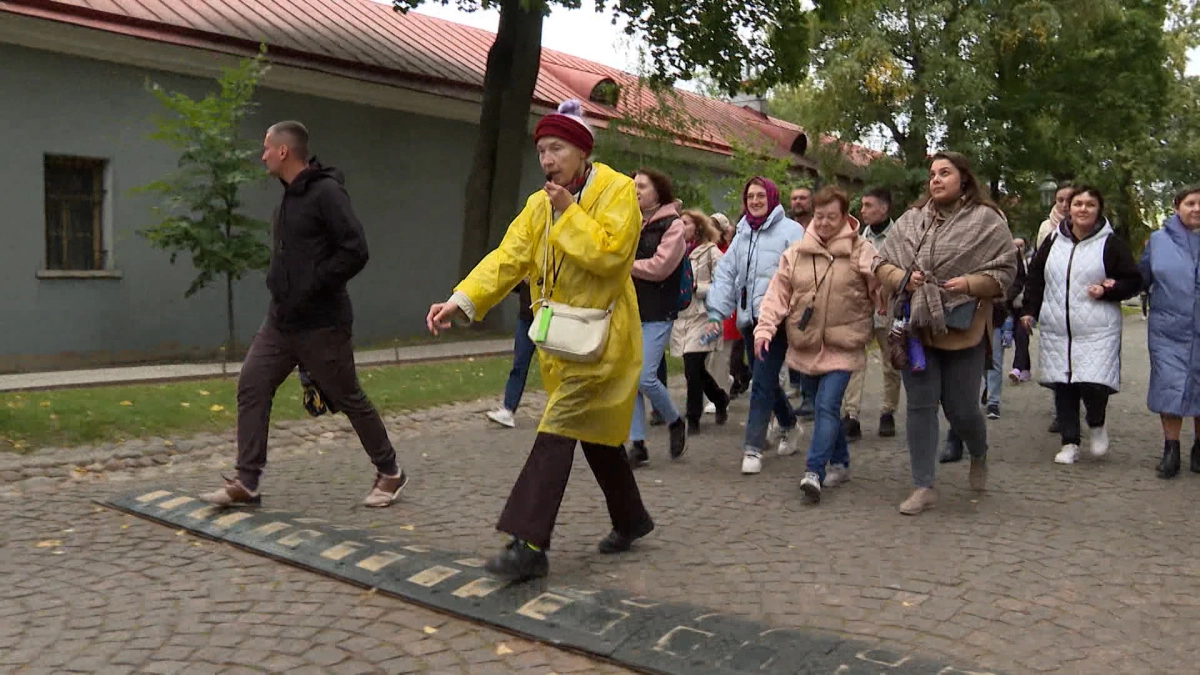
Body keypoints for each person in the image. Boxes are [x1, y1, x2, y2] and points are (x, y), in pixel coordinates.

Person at [425, 100, 653, 581]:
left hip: (604, 340)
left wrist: (570, 212)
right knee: (594, 436)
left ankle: (527, 544)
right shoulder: (537, 205)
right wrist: (461, 300)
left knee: (558, 425)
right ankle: (631, 519)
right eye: (542, 151)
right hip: (560, 338)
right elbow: (508, 258)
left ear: (581, 150)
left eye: (557, 148)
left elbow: (611, 256)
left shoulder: (617, 192)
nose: (547, 160)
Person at [200, 121, 408, 508]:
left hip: (322, 323)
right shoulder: (288, 198)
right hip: (280, 322)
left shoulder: (326, 193)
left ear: (283, 152)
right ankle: (247, 482)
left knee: (348, 396)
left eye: (266, 148)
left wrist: (314, 284)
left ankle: (391, 472)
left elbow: (355, 250)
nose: (262, 155)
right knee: (251, 384)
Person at [873, 151, 1018, 515]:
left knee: (961, 408)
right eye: (932, 174)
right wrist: (902, 280)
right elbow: (881, 262)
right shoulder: (910, 221)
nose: (935, 179)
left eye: (945, 173)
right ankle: (923, 486)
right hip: (915, 327)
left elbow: (1006, 271)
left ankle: (979, 453)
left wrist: (970, 283)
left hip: (962, 327)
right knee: (920, 405)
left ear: (964, 179)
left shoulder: (988, 221)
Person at [754, 187, 880, 503]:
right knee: (825, 408)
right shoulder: (795, 253)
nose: (824, 223)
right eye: (820, 216)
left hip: (844, 345)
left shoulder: (862, 251)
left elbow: (882, 286)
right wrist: (764, 330)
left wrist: (888, 299)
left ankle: (814, 471)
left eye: (832, 217)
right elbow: (777, 295)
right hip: (805, 346)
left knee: (825, 406)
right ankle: (840, 462)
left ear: (844, 217)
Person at [1020, 186, 1142, 466]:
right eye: (1078, 204)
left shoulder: (1110, 243)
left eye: (1090, 204)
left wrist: (1109, 289)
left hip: (1097, 328)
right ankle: (1070, 442)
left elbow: (1133, 280)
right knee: (1064, 386)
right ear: (1068, 209)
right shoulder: (1053, 241)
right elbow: (1036, 278)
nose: (1083, 209)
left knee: (1093, 384)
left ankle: (1097, 424)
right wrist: (1029, 310)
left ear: (1099, 209)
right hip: (1057, 327)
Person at [706, 177, 805, 475]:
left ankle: (753, 446)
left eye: (761, 196)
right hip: (749, 319)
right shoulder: (742, 232)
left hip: (777, 320)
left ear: (772, 197)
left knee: (761, 381)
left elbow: (802, 275)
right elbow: (726, 273)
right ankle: (789, 424)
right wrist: (717, 312)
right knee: (766, 379)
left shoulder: (791, 231)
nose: (755, 201)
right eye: (750, 196)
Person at [625, 169, 688, 466]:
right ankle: (637, 444)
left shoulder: (673, 226)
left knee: (645, 376)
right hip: (628, 309)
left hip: (658, 311)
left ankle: (675, 419)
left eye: (642, 186)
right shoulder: (629, 220)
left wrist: (625, 265)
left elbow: (661, 266)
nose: (635, 190)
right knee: (629, 379)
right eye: (633, 185)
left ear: (657, 191)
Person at [1139, 185, 1200, 478]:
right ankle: (1171, 449)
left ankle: (1199, 448)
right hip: (1168, 330)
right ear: (1177, 207)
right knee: (1169, 386)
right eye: (1191, 203)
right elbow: (1140, 276)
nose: (1196, 209)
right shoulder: (1158, 241)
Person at [841, 186, 900, 440]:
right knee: (855, 360)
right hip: (861, 309)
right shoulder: (857, 239)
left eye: (868, 205)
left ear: (883, 208)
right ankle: (851, 414)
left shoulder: (900, 237)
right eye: (862, 205)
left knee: (890, 362)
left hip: (889, 309)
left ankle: (888, 411)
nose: (862, 210)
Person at [671, 210, 730, 433]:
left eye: (685, 223)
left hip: (704, 317)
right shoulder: (676, 251)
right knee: (692, 368)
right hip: (682, 316)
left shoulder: (711, 252)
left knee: (693, 366)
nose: (681, 227)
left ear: (698, 227)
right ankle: (720, 397)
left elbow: (725, 283)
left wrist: (700, 288)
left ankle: (692, 417)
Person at [485, 280, 536, 428]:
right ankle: (508, 410)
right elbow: (514, 284)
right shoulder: (527, 261)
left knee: (556, 365)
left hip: (549, 315)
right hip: (526, 317)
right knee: (519, 364)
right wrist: (523, 281)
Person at [1009, 238, 1033, 384]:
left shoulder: (1030, 263)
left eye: (1021, 246)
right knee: (1018, 337)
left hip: (1026, 306)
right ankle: (1025, 369)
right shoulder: (1011, 264)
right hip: (1011, 305)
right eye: (1015, 246)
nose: (1018, 249)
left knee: (1021, 335)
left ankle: (1017, 368)